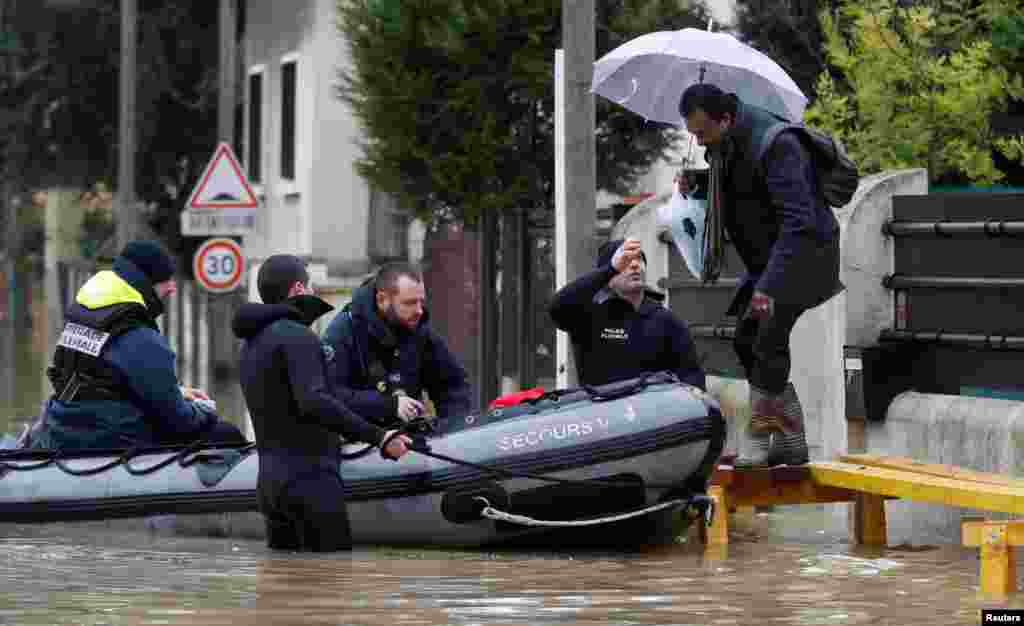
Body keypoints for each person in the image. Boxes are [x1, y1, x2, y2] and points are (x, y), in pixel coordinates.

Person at [676, 83, 844, 468]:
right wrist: (699, 183)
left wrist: (768, 288)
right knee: (745, 338)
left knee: (765, 333)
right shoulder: (727, 143)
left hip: (806, 253)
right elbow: (745, 187)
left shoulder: (777, 143)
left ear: (727, 118)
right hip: (770, 259)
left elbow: (799, 221)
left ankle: (759, 433)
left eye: (701, 132)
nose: (697, 139)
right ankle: (788, 437)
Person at [234, 254, 411, 552]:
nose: (314, 293)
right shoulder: (298, 337)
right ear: (298, 290)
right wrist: (379, 436)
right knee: (332, 581)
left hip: (270, 486)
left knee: (286, 585)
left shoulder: (252, 344)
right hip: (312, 483)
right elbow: (314, 402)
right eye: (311, 286)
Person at [32, 240, 245, 450]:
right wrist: (204, 411)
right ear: (144, 282)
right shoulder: (140, 336)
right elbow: (180, 421)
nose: (172, 287)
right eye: (164, 279)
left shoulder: (82, 316)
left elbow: (102, 383)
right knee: (226, 433)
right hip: (109, 436)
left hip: (63, 426)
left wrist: (176, 392)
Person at [322, 262, 471, 427]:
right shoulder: (343, 332)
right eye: (409, 303)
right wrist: (388, 405)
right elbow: (330, 395)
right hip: (360, 443)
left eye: (421, 302)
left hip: (410, 437)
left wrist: (453, 430)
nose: (419, 310)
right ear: (382, 300)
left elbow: (452, 386)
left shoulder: (417, 329)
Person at [548, 237, 707, 391]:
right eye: (626, 261)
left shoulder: (667, 321)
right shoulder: (588, 316)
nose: (635, 265)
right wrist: (610, 269)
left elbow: (692, 378)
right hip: (602, 413)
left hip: (652, 413)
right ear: (607, 275)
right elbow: (557, 306)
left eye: (639, 259)